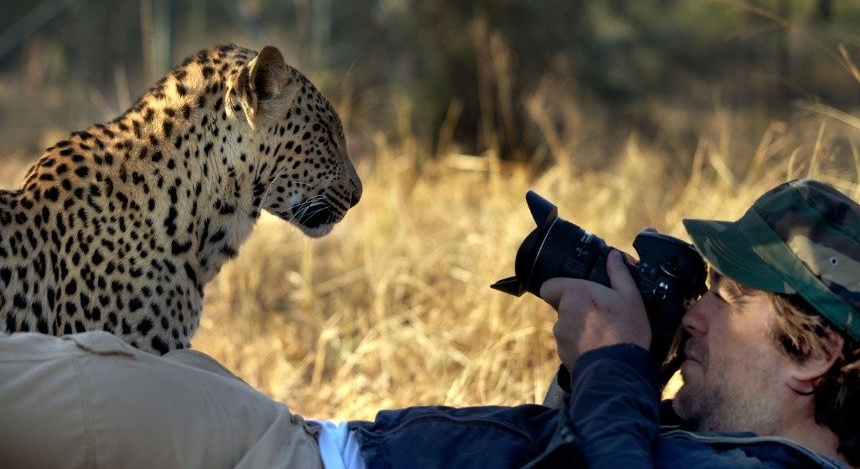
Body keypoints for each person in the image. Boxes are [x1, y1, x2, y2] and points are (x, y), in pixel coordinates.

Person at [0, 178, 857, 468]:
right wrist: (594, 374)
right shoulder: (721, 439)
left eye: (733, 296)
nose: (701, 308)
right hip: (300, 438)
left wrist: (616, 371)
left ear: (812, 354)